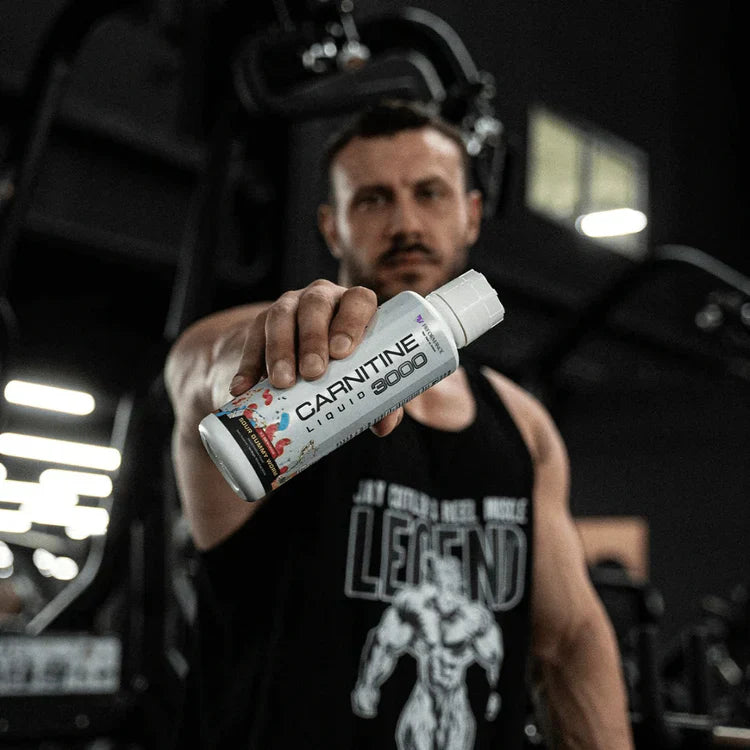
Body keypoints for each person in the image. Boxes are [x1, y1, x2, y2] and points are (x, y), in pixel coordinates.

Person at [164, 100, 634, 749]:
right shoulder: (279, 350)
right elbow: (203, 371)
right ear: (332, 228)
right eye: (373, 200)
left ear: (471, 213)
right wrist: (262, 366)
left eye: (430, 193)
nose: (406, 223)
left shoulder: (523, 424)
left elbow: (570, 638)